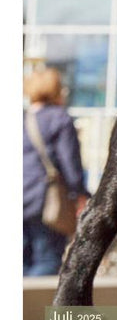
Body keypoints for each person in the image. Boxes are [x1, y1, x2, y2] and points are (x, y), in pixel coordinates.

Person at [23, 68, 89, 275]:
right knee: (48, 258)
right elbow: (69, 163)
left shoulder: (20, 119)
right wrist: (80, 193)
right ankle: (34, 307)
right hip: (45, 200)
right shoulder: (59, 119)